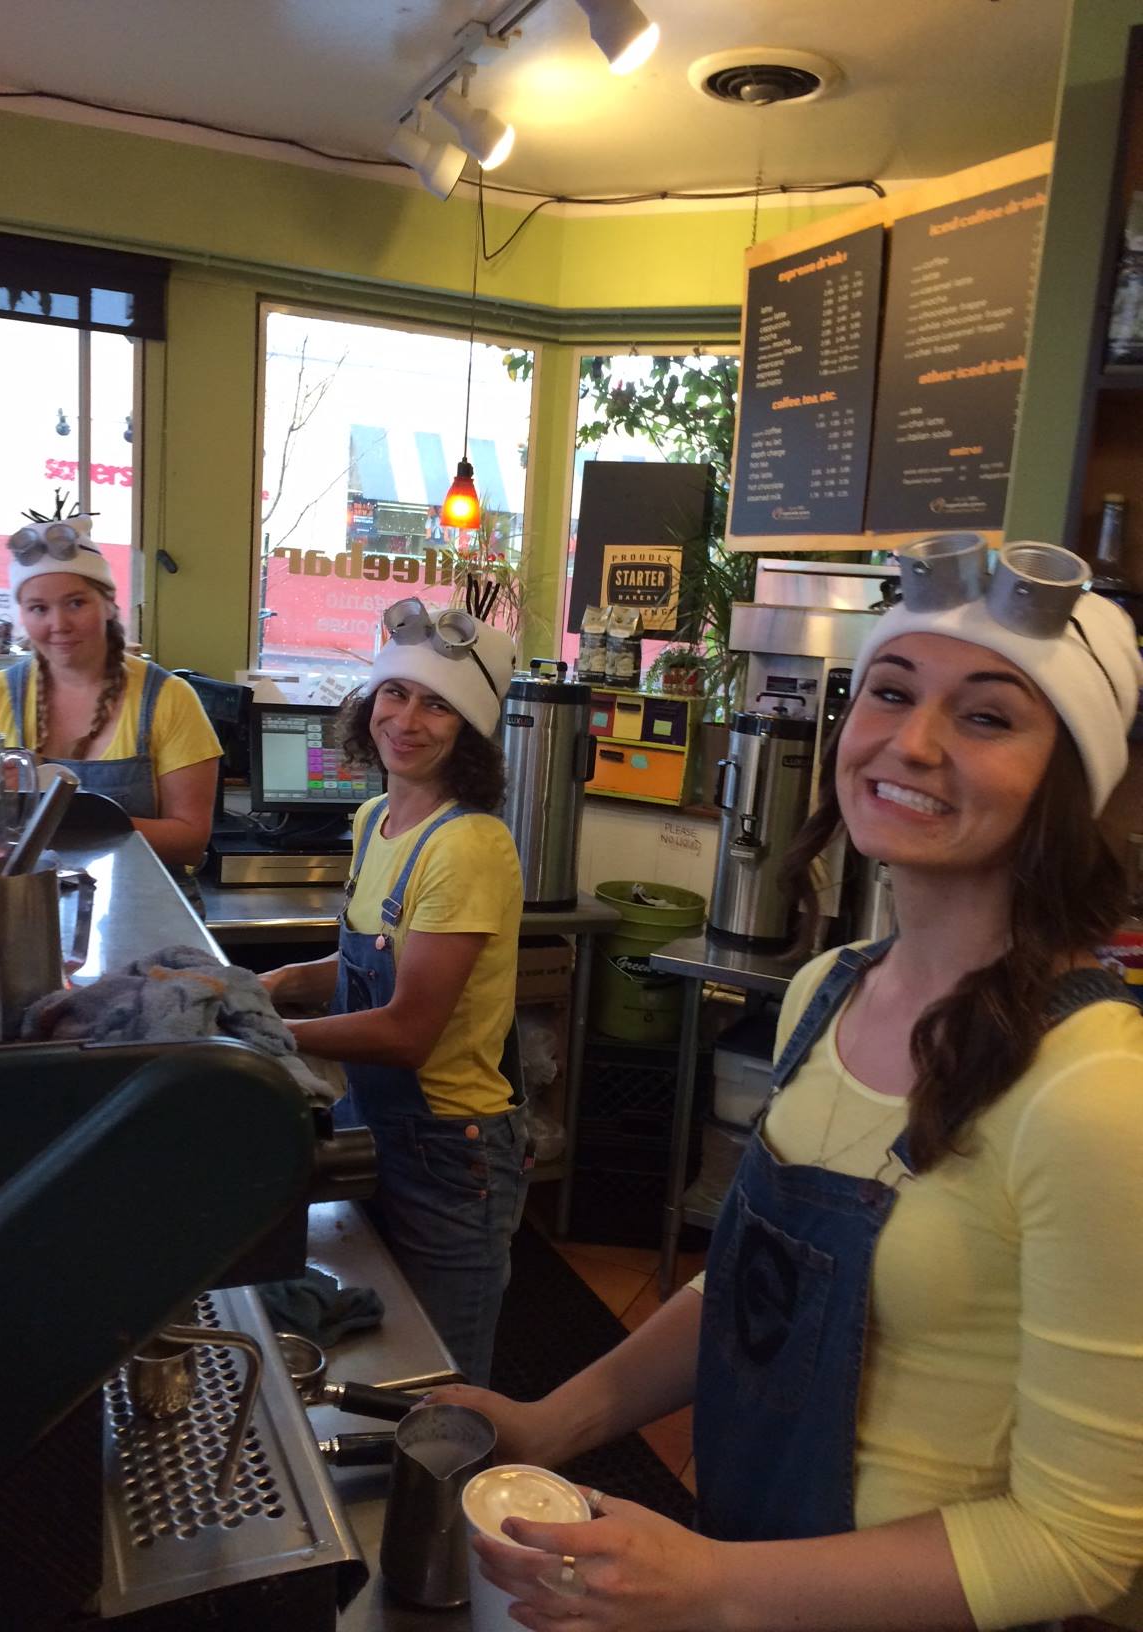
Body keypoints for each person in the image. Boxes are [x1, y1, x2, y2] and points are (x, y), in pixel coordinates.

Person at [435, 539, 1143, 1632]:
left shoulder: (1093, 1095)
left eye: (987, 716)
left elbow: (1077, 1545)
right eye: (890, 692)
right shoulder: (828, 990)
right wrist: (552, 1425)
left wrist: (713, 1587)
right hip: (755, 1584)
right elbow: (751, 1290)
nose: (912, 742)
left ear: (1073, 781)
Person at [261, 596, 526, 1386]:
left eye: (437, 705)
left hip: (450, 1155)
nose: (406, 720)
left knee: (442, 1391)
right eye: (395, 693)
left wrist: (268, 1033)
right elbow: (364, 964)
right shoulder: (375, 818)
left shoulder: (468, 846)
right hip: (373, 1122)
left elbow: (409, 1031)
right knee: (379, 1363)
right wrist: (272, 985)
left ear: (469, 730)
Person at [0, 501, 221, 876]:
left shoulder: (169, 699)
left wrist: (53, 817)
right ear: (23, 615)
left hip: (147, 903)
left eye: (76, 603)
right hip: (32, 897)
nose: (59, 624)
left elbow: (190, 840)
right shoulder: (3, 693)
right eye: (39, 608)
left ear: (108, 605)